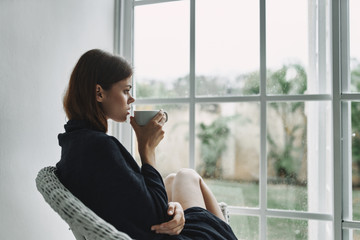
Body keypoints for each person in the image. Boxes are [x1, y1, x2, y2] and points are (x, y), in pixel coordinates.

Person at [56, 49, 237, 240]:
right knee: (187, 176)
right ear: (99, 93)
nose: (131, 99)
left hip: (142, 230)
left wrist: (174, 207)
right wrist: (146, 148)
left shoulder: (74, 143)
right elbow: (156, 214)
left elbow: (133, 199)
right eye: (125, 91)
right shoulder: (99, 147)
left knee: (173, 179)